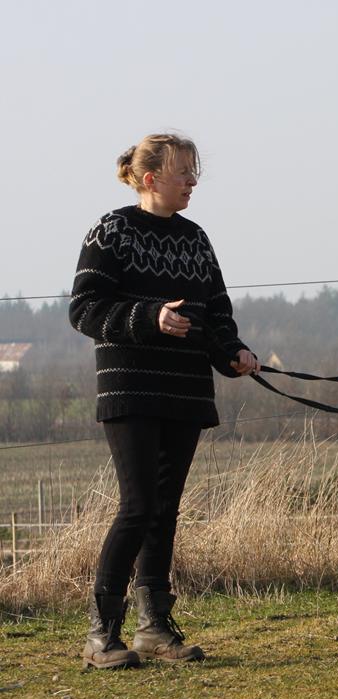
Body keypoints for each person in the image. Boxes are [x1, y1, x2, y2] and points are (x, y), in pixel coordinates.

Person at [69, 133, 260, 669]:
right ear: (151, 178)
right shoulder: (112, 231)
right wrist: (150, 317)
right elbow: (84, 309)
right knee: (137, 507)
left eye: (195, 173)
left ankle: (153, 629)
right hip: (131, 389)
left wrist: (233, 353)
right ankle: (101, 636)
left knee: (165, 511)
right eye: (184, 173)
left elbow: (215, 313)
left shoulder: (196, 239)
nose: (193, 182)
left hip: (184, 391)